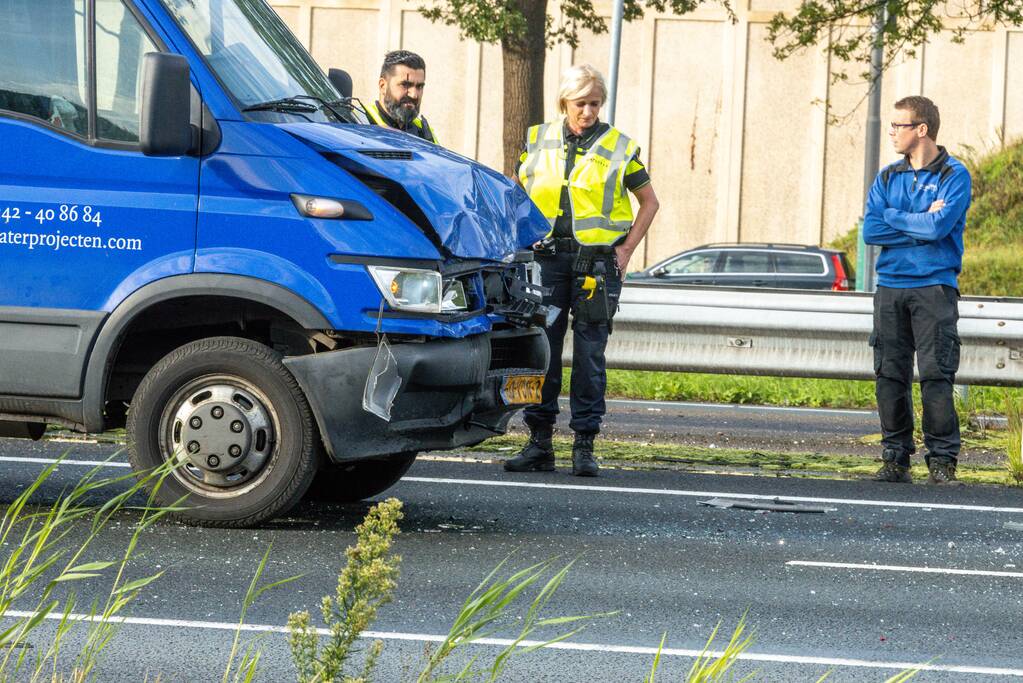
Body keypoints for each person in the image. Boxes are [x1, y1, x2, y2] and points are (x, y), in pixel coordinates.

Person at [505, 64, 659, 477]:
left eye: (594, 103)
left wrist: (626, 251)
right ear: (564, 103)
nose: (588, 111)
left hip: (596, 265)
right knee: (543, 353)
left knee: (590, 358)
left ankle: (584, 446)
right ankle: (539, 443)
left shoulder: (618, 147)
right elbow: (515, 190)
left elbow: (650, 202)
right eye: (580, 104)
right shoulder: (539, 139)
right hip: (548, 261)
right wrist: (521, 239)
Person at [863, 95, 972, 485]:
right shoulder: (887, 176)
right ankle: (895, 459)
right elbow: (871, 230)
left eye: (899, 125)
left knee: (936, 376)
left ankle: (942, 462)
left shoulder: (954, 175)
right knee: (889, 375)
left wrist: (897, 219)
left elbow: (938, 228)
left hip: (934, 289)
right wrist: (917, 220)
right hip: (890, 287)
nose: (892, 132)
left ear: (921, 129)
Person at [365, 50, 438, 144]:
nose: (414, 95)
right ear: (383, 86)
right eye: (405, 85)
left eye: (419, 86)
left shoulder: (424, 132)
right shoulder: (356, 121)